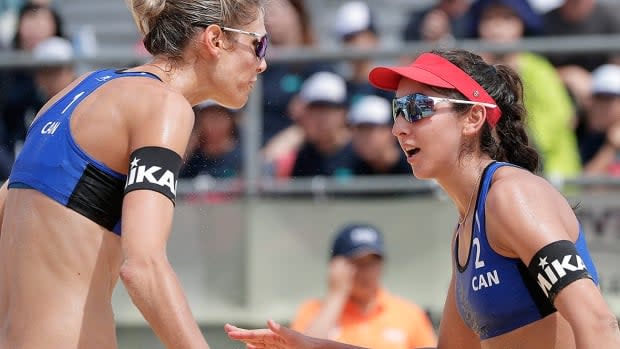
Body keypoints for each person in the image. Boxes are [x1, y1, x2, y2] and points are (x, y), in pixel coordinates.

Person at [225, 48, 620, 349]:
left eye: (416, 108)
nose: (398, 128)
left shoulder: (511, 196)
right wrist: (313, 345)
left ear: (473, 118)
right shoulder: (467, 228)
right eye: (396, 110)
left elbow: (599, 324)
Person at [0, 0, 267, 348]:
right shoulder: (163, 105)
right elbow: (143, 267)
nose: (263, 64)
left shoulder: (77, 91)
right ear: (215, 39)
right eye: (259, 44)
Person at [290, 223, 437, 349]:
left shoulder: (409, 314)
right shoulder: (312, 312)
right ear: (336, 267)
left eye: (372, 262)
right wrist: (336, 296)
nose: (366, 271)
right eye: (356, 262)